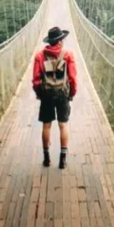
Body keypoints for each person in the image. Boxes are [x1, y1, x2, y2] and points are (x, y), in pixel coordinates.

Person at [32, 26, 78, 169]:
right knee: (63, 125)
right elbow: (72, 78)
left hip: (46, 95)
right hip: (62, 94)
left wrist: (39, 94)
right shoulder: (68, 55)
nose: (63, 42)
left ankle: (46, 158)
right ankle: (62, 160)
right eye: (62, 40)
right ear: (59, 42)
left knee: (46, 125)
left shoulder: (40, 56)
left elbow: (36, 80)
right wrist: (71, 94)